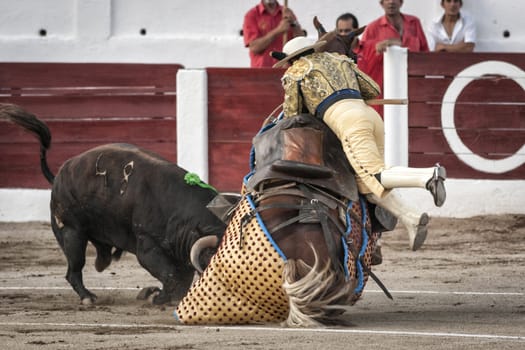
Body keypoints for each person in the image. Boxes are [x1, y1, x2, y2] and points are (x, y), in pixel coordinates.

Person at [271, 37, 446, 251]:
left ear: (292, 59)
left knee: (375, 174)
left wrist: (315, 103)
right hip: (370, 116)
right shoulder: (340, 60)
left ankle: (428, 176)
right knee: (366, 183)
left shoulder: (296, 71)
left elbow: (293, 116)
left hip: (348, 121)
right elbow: (373, 90)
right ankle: (412, 218)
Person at [357, 0, 429, 116]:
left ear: (401, 2)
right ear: (381, 3)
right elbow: (365, 60)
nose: (391, 2)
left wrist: (394, 43)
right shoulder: (372, 28)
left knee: (415, 120)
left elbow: (425, 53)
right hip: (385, 87)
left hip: (412, 83)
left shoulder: (414, 22)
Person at [242, 0, 305, 68]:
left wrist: (294, 22)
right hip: (262, 72)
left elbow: (301, 43)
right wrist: (278, 31)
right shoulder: (252, 15)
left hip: (288, 72)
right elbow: (254, 47)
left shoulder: (287, 13)